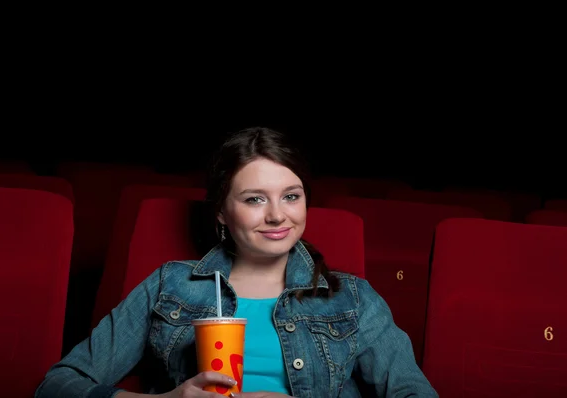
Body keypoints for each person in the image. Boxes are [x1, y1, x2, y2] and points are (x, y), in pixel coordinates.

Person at [35, 127, 438, 397]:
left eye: (291, 196)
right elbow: (58, 385)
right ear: (222, 213)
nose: (278, 215)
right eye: (254, 199)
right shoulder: (170, 287)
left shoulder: (351, 298)